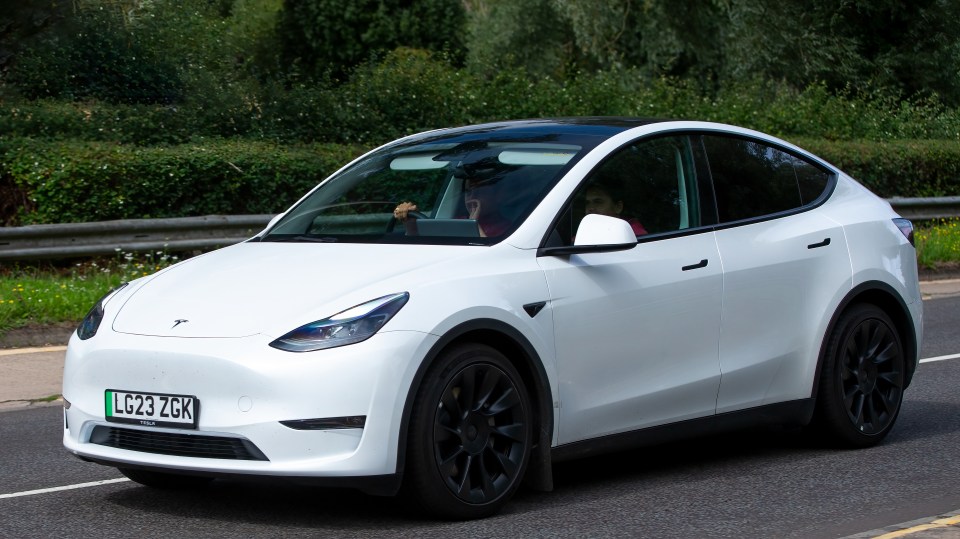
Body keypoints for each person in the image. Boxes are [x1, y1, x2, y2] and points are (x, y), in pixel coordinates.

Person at [393, 174, 512, 238]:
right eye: (468, 191)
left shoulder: (507, 229)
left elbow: (491, 258)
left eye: (480, 191)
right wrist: (411, 225)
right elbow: (432, 248)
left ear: (498, 196)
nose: (472, 197)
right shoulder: (456, 221)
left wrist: (473, 224)